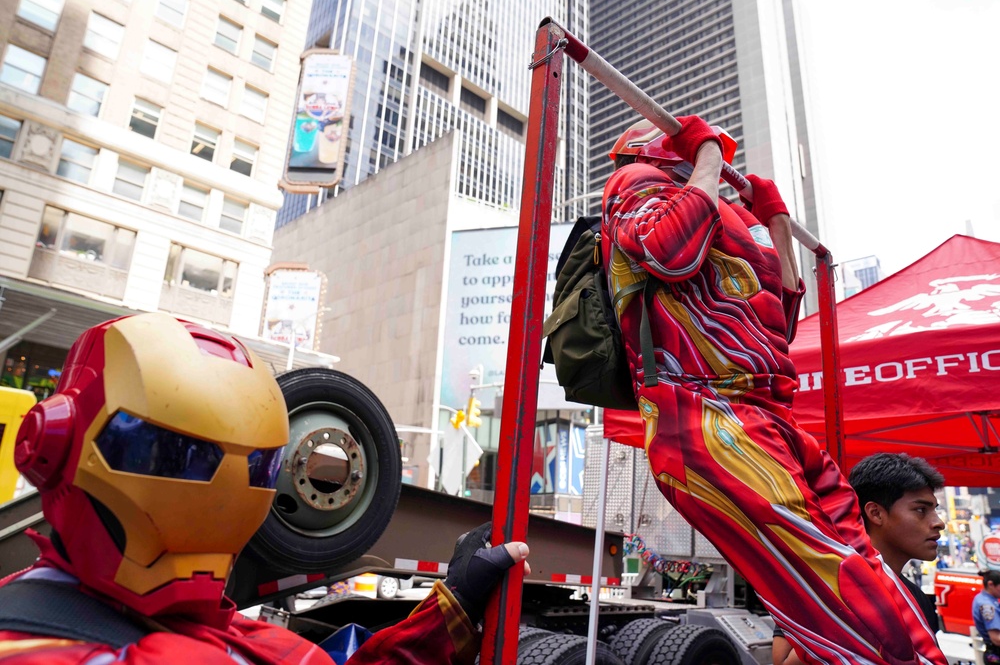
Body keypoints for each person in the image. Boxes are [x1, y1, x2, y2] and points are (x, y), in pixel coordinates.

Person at [602, 116, 946, 665]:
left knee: (863, 560)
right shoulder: (637, 182)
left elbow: (778, 325)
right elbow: (668, 252)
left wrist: (777, 223)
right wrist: (708, 157)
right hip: (705, 410)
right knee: (834, 585)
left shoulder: (722, 212)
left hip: (768, 413)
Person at [0, 312, 528, 664]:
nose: (218, 489)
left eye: (251, 466)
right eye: (180, 456)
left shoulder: (239, 637)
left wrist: (453, 604)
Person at [772, 453, 946, 664]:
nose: (938, 523)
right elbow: (782, 661)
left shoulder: (916, 598)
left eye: (934, 510)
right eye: (921, 510)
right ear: (876, 513)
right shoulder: (822, 586)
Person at [973, 570, 1000, 664]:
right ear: (991, 584)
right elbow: (996, 638)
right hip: (996, 654)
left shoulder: (981, 598)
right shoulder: (987, 605)